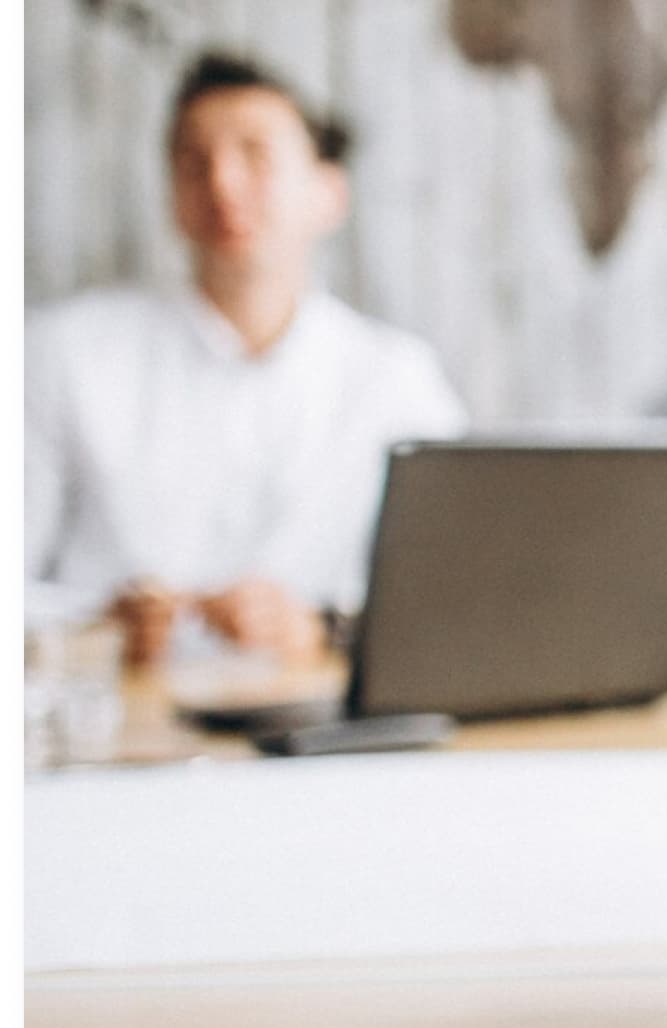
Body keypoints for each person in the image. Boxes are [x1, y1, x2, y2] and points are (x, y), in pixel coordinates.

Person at [23, 52, 467, 666]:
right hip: (110, 734)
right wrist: (93, 631)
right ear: (174, 197)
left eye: (255, 155)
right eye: (193, 162)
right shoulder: (59, 355)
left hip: (325, 739)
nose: (222, 184)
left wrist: (322, 630)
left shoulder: (397, 382)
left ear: (327, 193)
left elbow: (456, 597)